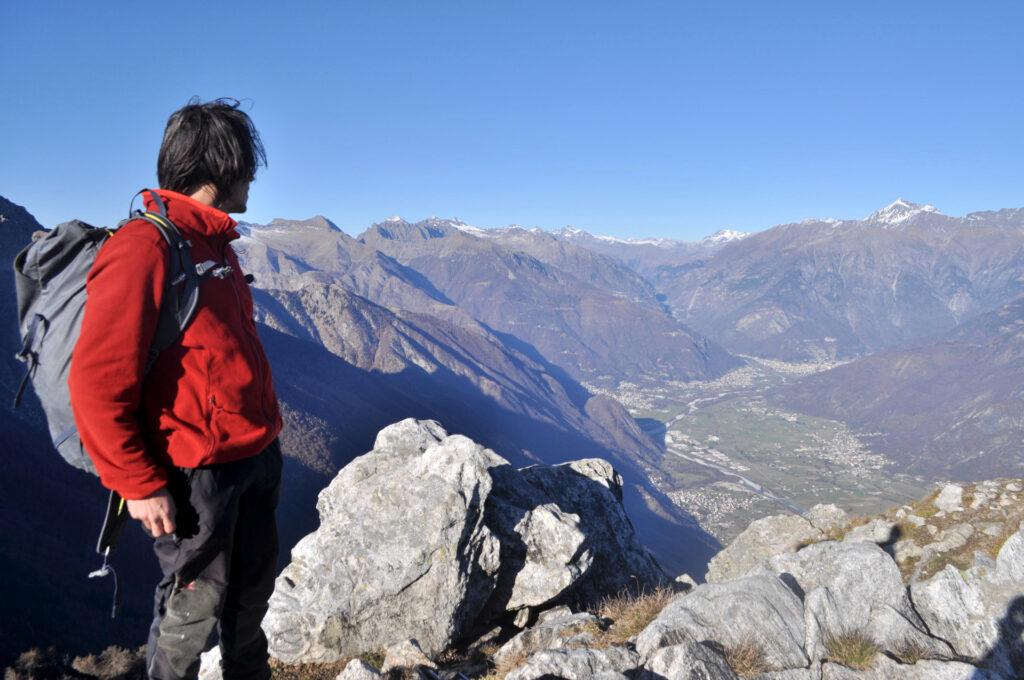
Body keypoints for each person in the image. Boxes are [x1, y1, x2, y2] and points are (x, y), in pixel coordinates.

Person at [68, 97, 284, 680]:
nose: (254, 179)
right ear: (219, 170)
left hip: (254, 460)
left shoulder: (215, 246)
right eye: (247, 166)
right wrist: (137, 482)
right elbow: (94, 382)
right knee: (189, 620)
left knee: (249, 604)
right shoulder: (144, 248)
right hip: (197, 479)